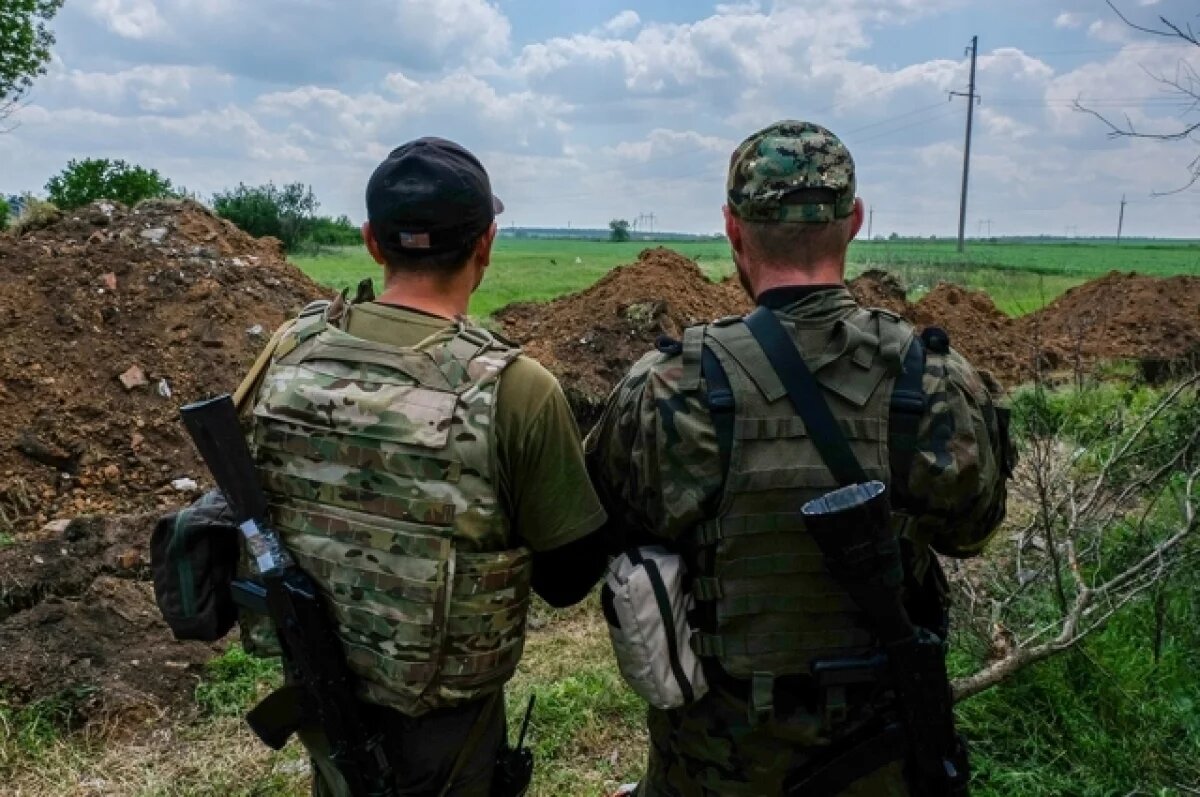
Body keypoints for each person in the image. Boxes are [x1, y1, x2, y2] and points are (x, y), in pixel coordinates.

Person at [586, 121, 1014, 796]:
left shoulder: (665, 386)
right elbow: (973, 530)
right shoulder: (933, 378)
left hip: (709, 767)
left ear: (732, 228)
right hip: (880, 757)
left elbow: (598, 537)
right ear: (856, 223)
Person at [233, 137, 609, 796]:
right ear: (486, 246)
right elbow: (569, 576)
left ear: (373, 243)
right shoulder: (517, 388)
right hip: (449, 730)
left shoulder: (290, 349)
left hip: (324, 703)